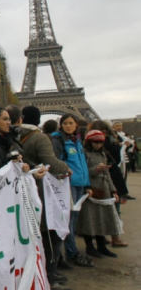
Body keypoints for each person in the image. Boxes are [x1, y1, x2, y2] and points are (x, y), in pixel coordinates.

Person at [18, 106, 73, 290]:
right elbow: (50, 161)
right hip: (42, 190)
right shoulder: (39, 137)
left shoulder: (16, 136)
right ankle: (50, 275)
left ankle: (46, 273)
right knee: (51, 233)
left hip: (25, 191)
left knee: (40, 234)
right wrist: (65, 168)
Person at [50, 114, 94, 268]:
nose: (68, 126)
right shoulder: (59, 141)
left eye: (71, 123)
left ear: (76, 125)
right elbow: (57, 161)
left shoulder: (77, 141)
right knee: (68, 220)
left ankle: (69, 252)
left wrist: (87, 184)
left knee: (73, 220)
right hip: (68, 184)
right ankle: (69, 253)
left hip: (79, 184)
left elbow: (83, 164)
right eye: (65, 123)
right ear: (61, 125)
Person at [77, 130, 124, 258]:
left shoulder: (103, 154)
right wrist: (95, 170)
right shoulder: (84, 153)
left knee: (101, 219)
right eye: (95, 142)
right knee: (89, 220)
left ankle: (101, 246)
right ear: (89, 142)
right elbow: (83, 171)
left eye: (100, 142)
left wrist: (114, 190)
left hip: (104, 190)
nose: (98, 144)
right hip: (91, 189)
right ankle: (90, 247)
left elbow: (107, 175)